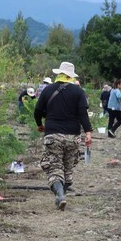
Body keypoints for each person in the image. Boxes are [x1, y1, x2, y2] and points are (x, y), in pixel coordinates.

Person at [34, 61, 92, 211]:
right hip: (73, 136)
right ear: (71, 76)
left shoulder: (48, 90)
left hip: (53, 134)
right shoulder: (79, 92)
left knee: (53, 167)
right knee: (68, 168)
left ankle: (60, 195)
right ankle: (62, 195)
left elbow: (38, 110)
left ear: (59, 73)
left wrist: (40, 124)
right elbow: (83, 114)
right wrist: (88, 133)